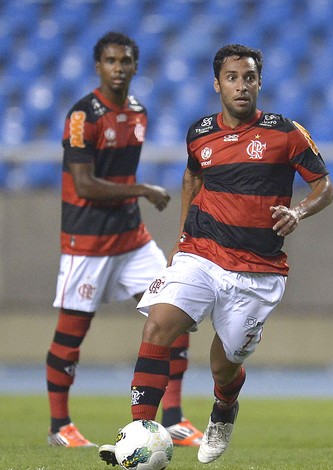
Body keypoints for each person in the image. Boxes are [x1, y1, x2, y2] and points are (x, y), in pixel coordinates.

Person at [98, 43, 333, 465]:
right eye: (232, 78)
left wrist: (298, 212)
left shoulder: (286, 133)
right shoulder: (200, 132)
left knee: (224, 368)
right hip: (201, 254)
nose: (241, 86)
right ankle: (135, 439)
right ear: (217, 84)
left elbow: (325, 187)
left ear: (260, 82)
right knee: (158, 326)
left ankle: (224, 409)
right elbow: (192, 178)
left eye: (249, 78)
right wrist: (182, 239)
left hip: (258, 272)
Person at [46, 32, 204, 448]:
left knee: (175, 316)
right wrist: (142, 191)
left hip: (131, 239)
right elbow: (84, 184)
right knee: (71, 333)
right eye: (111, 60)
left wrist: (135, 197)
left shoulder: (138, 111)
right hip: (87, 241)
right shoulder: (83, 115)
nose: (119, 67)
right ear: (98, 66)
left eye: (126, 61)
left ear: (135, 66)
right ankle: (59, 426)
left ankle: (172, 418)